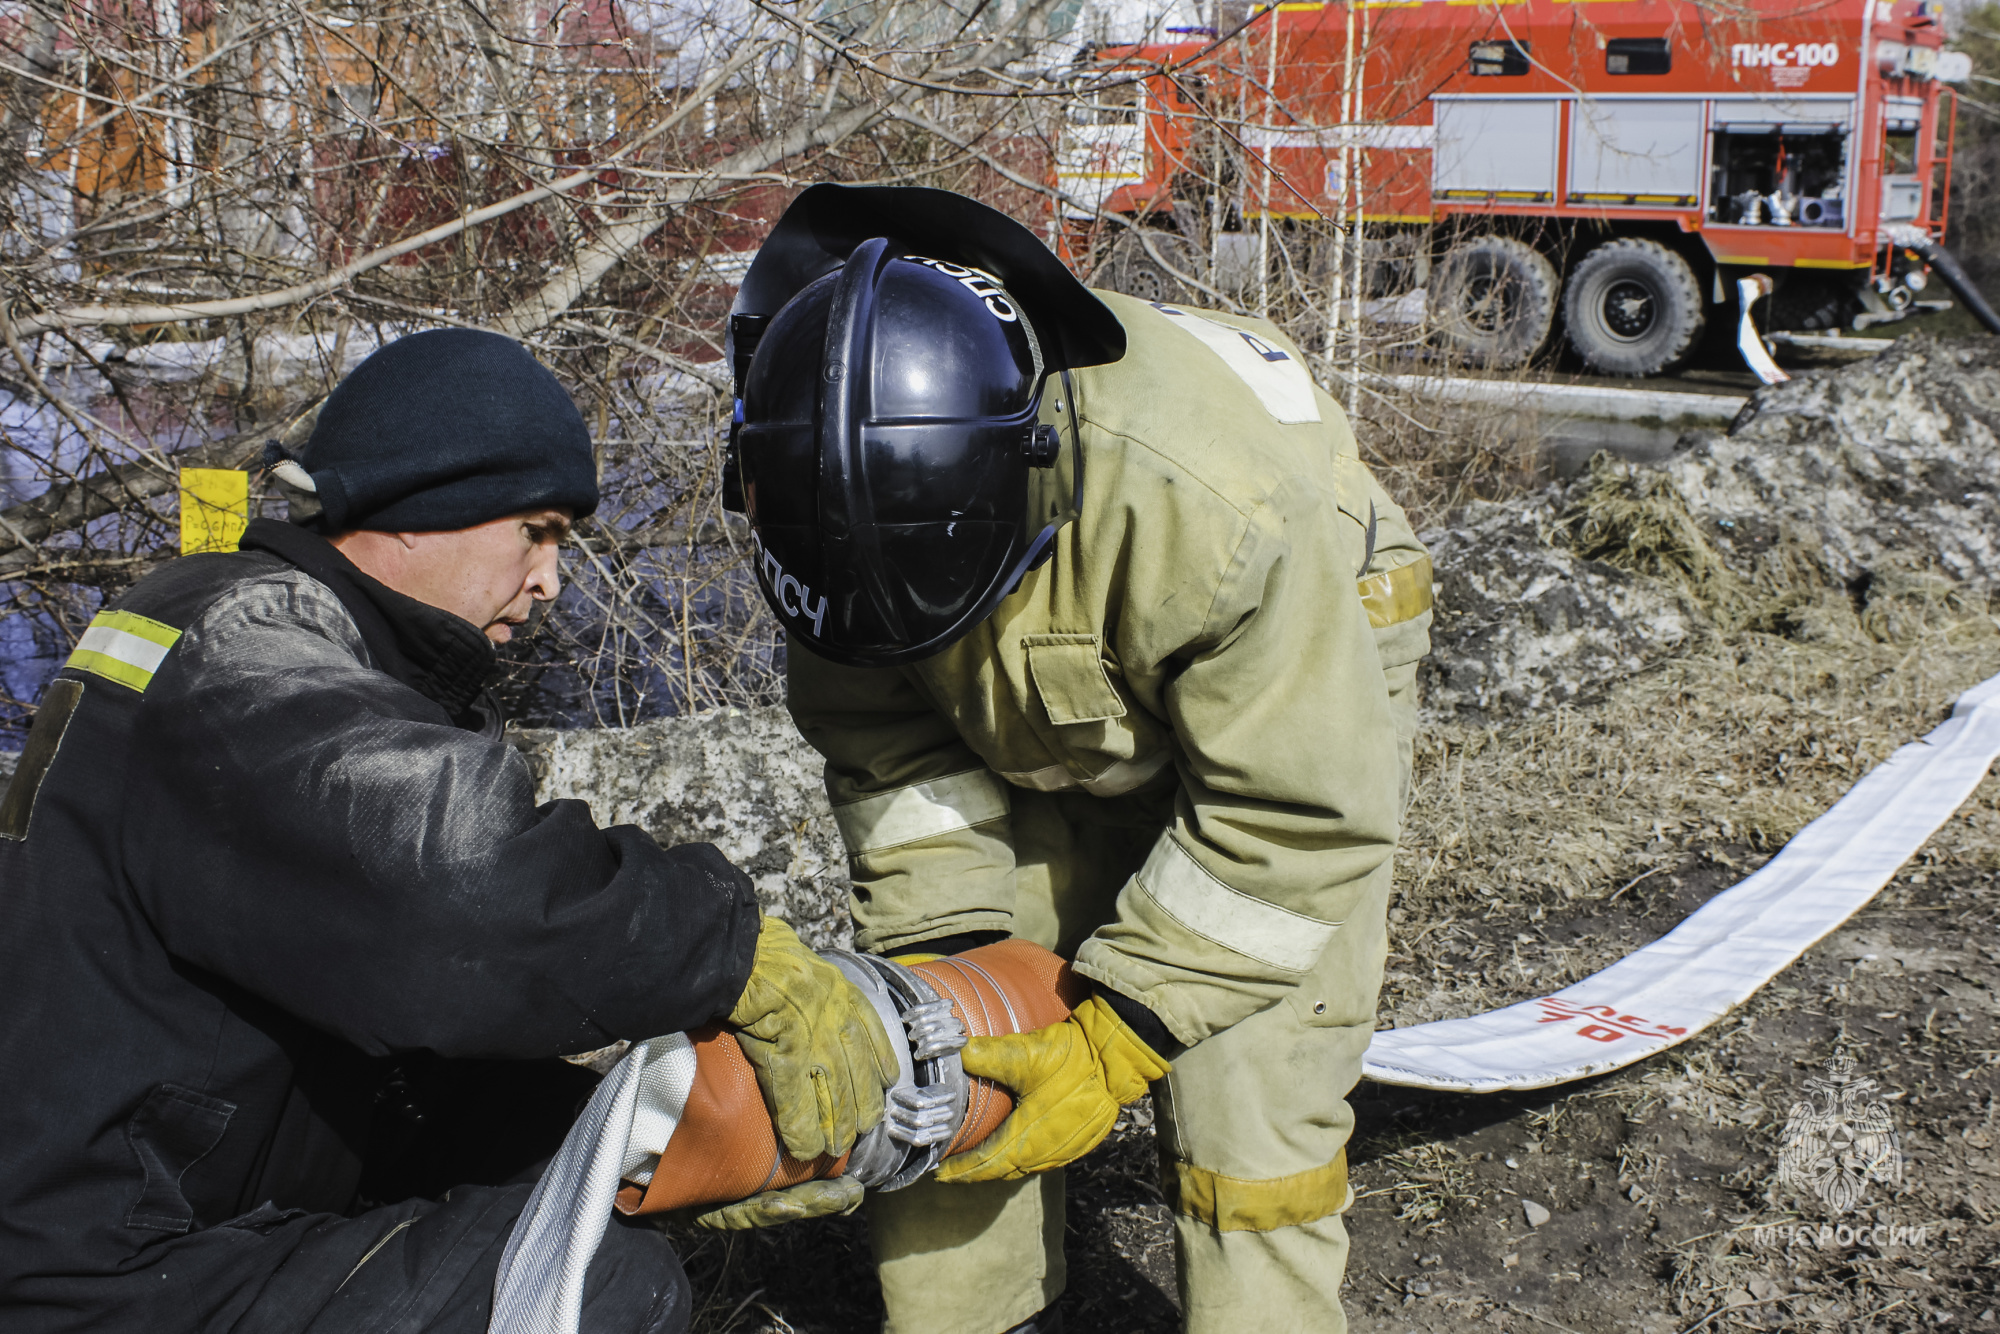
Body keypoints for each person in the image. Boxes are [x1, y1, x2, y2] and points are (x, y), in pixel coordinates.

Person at [0, 328, 897, 1333]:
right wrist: (729, 948)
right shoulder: (250, 659)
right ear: (425, 501)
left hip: (178, 1199)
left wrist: (652, 1150)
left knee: (576, 1174)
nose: (553, 578)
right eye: (538, 529)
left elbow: (398, 1005)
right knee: (584, 1282)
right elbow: (472, 898)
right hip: (103, 1274)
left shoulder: (236, 621)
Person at [725, 186, 1433, 1334]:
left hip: (1302, 656)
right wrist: (952, 982)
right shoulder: (824, 499)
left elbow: (1297, 815)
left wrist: (1120, 1033)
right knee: (952, 1060)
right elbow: (892, 765)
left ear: (1027, 469)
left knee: (1248, 1100)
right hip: (1051, 686)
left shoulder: (1214, 501)